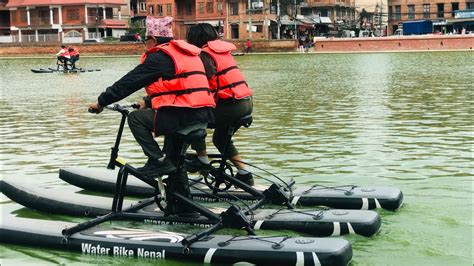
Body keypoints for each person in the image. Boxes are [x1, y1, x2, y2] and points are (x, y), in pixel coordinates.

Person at [88, 17, 215, 216]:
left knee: (136, 118)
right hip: (202, 114)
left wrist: (101, 102)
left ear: (153, 40)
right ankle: (183, 207)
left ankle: (157, 160)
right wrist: (148, 101)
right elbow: (179, 85)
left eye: (145, 40)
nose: (144, 44)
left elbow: (128, 82)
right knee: (175, 161)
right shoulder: (184, 53)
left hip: (183, 115)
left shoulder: (159, 57)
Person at [186, 23, 254, 186]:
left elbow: (206, 86)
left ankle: (203, 162)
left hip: (231, 105)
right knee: (220, 138)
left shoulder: (204, 55)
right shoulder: (223, 52)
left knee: (192, 120)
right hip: (245, 102)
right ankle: (244, 174)